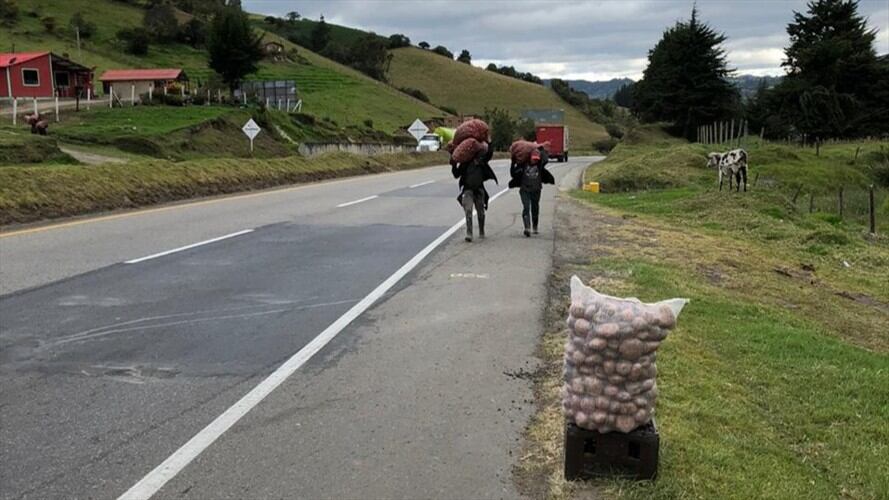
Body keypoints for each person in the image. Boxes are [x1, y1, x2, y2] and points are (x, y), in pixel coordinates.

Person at [451, 144, 497, 242]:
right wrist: (454, 164)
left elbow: (489, 154)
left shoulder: (481, 161)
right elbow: (456, 174)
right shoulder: (464, 164)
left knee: (481, 212)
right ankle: (469, 233)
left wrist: (489, 143)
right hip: (468, 190)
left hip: (479, 190)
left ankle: (481, 230)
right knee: (468, 210)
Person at [509, 145, 555, 237]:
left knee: (535, 208)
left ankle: (535, 225)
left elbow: (545, 160)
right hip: (525, 190)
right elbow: (513, 174)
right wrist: (513, 162)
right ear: (529, 157)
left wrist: (541, 148)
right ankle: (527, 227)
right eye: (533, 158)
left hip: (536, 190)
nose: (535, 160)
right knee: (526, 207)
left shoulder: (539, 165)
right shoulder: (523, 166)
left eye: (536, 159)